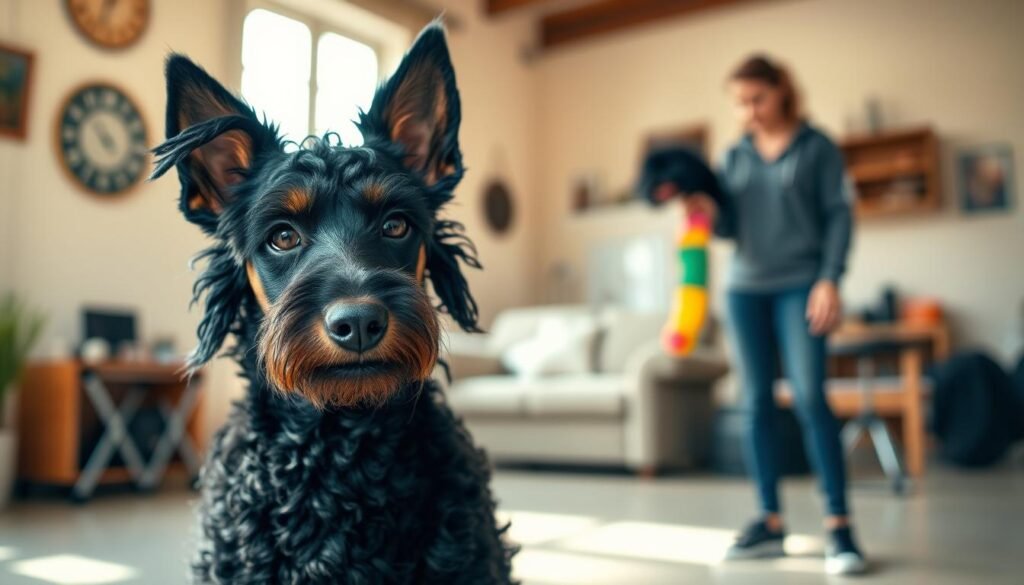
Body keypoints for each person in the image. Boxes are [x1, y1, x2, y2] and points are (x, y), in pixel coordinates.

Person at [659, 55, 866, 575]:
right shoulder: (734, 157)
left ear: (782, 93)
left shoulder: (817, 148)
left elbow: (840, 215)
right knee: (754, 402)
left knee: (810, 396)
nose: (749, 111)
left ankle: (839, 527)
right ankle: (770, 521)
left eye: (758, 99)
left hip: (801, 285)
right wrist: (700, 210)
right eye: (740, 103)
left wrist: (829, 279)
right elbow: (729, 228)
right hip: (746, 290)